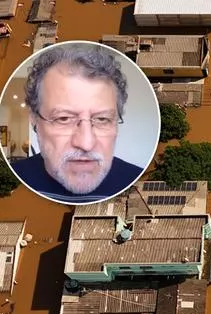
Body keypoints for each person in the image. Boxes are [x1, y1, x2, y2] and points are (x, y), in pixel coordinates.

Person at [11, 43, 143, 204]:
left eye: (102, 119)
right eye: (63, 118)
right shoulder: (11, 183)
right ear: (34, 119)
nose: (86, 143)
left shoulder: (138, 181)